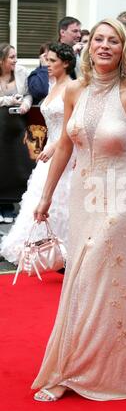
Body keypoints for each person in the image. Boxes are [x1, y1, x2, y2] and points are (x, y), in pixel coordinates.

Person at [31, 18, 126, 402]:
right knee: (89, 279)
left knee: (89, 271)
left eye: (112, 41)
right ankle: (74, 364)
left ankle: (74, 367)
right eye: (97, 39)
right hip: (83, 195)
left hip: (118, 196)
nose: (103, 46)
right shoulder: (74, 92)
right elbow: (65, 146)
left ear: (123, 49)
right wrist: (47, 195)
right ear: (88, 46)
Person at [1, 43, 75, 264]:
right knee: (39, 197)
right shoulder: (52, 85)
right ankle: (38, 247)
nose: (47, 65)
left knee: (63, 199)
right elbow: (37, 89)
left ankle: (64, 249)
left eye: (52, 61)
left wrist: (54, 146)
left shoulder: (73, 87)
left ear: (66, 63)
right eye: (47, 60)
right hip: (48, 151)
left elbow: (73, 125)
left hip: (64, 150)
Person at [0, 43, 33, 224]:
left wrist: (26, 104)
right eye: (11, 57)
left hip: (17, 124)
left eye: (15, 56)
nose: (16, 60)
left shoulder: (21, 72)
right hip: (0, 123)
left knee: (16, 164)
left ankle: (10, 205)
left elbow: (28, 93)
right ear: (1, 60)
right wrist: (8, 100)